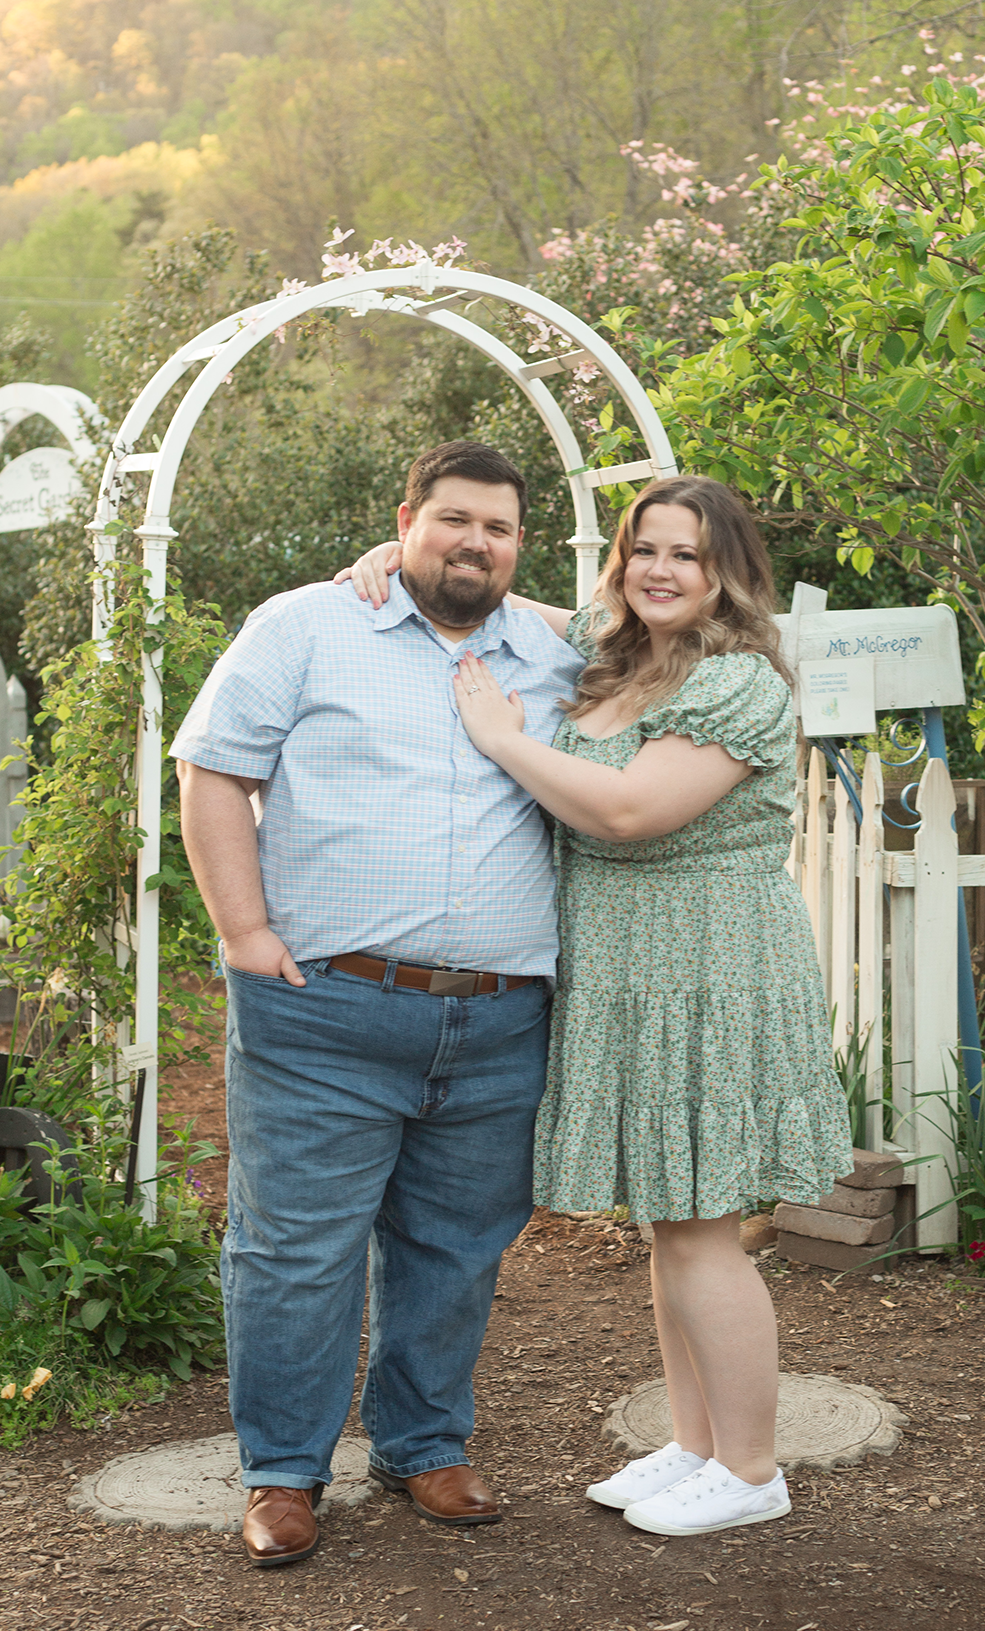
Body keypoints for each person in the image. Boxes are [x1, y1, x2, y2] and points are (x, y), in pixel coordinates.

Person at [341, 474, 854, 1538]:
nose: (660, 571)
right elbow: (508, 603)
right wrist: (394, 558)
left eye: (688, 556)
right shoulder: (622, 654)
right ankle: (697, 1443)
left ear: (730, 575)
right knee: (672, 1225)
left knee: (707, 1231)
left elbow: (626, 811)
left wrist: (499, 737)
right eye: (645, 550)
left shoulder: (737, 683)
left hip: (709, 972)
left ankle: (753, 1468)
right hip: (629, 974)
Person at [172, 440, 584, 1567]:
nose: (474, 543)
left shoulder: (553, 655)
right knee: (296, 1250)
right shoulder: (306, 626)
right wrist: (246, 935)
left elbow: (672, 623)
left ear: (519, 546)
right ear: (402, 518)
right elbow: (213, 770)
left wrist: (475, 579)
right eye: (451, 520)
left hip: (499, 1019)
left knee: (456, 1245)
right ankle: (285, 1472)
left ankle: (423, 1444)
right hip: (326, 1014)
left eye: (497, 528)